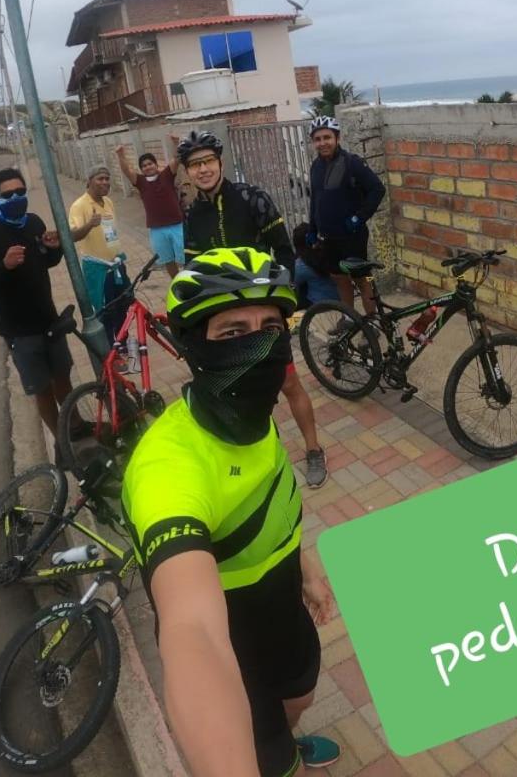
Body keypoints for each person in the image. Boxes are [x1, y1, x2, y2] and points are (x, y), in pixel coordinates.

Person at [121, 247, 339, 776]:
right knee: (268, 754)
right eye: (233, 333)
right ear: (194, 346)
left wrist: (305, 562)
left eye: (271, 328)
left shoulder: (251, 416)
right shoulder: (168, 467)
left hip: (283, 603)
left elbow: (269, 496)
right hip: (229, 633)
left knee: (300, 696)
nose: (259, 348)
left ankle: (287, 741)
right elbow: (192, 628)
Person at [178, 131, 329, 489]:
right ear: (187, 172)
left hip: (264, 317)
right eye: (195, 165)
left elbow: (285, 253)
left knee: (288, 382)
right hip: (225, 323)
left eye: (208, 161)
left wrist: (281, 304)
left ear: (220, 163)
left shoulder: (252, 198)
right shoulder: (192, 214)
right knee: (236, 389)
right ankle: (254, 460)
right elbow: (193, 270)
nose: (203, 169)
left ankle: (313, 449)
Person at [0, 167, 77, 438]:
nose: (16, 198)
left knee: (63, 378)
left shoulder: (34, 223)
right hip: (20, 332)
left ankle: (76, 428)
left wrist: (54, 249)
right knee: (42, 389)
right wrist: (4, 266)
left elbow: (46, 262)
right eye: (8, 195)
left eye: (20, 192)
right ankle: (61, 441)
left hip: (49, 320)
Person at [305, 116, 386, 315]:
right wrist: (312, 229)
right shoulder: (316, 167)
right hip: (329, 238)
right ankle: (350, 319)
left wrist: (359, 218)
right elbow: (315, 200)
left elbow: (377, 189)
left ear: (337, 138)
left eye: (327, 137)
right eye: (317, 139)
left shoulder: (352, 163)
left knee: (362, 279)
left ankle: (371, 321)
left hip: (352, 236)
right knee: (339, 278)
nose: (322, 143)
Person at [68, 163, 130, 345]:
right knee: (105, 312)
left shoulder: (108, 202)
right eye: (100, 179)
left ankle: (122, 344)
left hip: (116, 266)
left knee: (123, 306)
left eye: (107, 179)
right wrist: (89, 225)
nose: (105, 182)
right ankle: (109, 350)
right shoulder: (79, 206)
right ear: (89, 181)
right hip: (98, 271)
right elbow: (71, 236)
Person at [115, 136, 186, 278]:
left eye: (150, 163)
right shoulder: (140, 182)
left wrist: (176, 143)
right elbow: (127, 170)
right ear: (141, 169)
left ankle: (190, 281)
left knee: (185, 258)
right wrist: (120, 155)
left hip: (176, 225)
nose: (148, 167)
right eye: (144, 166)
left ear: (156, 165)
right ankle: (176, 283)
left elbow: (176, 159)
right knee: (168, 260)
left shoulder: (167, 175)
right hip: (157, 229)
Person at [292, 223, 337, 309]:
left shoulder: (301, 264)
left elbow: (291, 282)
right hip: (342, 299)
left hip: (318, 304)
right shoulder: (328, 252)